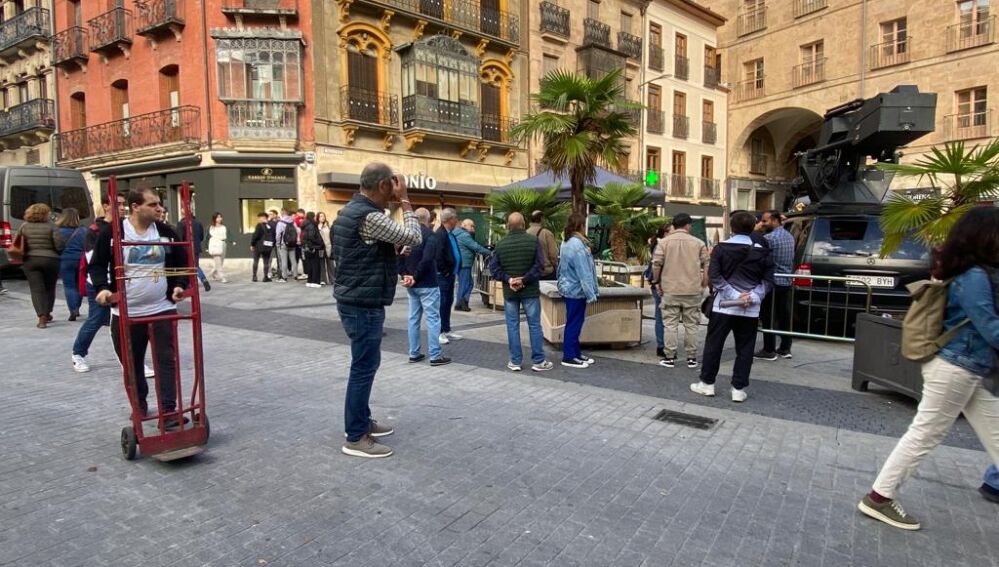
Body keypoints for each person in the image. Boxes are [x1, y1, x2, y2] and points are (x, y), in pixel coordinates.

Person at [859, 207, 999, 531]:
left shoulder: (970, 271)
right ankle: (879, 497)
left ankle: (879, 497)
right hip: (956, 366)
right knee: (924, 434)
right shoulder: (974, 276)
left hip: (967, 367)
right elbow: (990, 328)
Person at [333, 162, 422, 459]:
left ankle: (361, 421)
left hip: (355, 297)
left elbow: (361, 252)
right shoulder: (369, 215)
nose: (393, 193)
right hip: (362, 302)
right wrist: (406, 199)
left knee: (364, 365)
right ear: (385, 185)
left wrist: (391, 251)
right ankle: (356, 435)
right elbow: (414, 236)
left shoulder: (349, 212)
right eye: (392, 187)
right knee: (364, 367)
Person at [90, 188, 190, 427]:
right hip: (126, 312)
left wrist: (178, 286)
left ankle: (168, 413)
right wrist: (103, 289)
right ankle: (140, 407)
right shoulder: (113, 233)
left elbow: (181, 265)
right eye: (153, 204)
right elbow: (97, 265)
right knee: (132, 364)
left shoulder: (166, 232)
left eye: (159, 204)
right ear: (136, 206)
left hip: (162, 308)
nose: (159, 208)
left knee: (166, 360)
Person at [690, 211, 774, 403]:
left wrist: (735, 295)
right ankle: (738, 388)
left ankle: (707, 383)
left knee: (714, 345)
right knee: (745, 348)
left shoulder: (721, 249)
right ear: (753, 227)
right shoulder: (763, 251)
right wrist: (752, 296)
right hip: (750, 308)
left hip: (723, 306)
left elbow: (715, 276)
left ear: (732, 227)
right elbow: (768, 281)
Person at [491, 212, 552, 373]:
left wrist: (510, 280)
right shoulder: (533, 241)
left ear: (508, 225)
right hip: (530, 290)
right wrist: (524, 280)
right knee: (534, 325)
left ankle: (515, 361)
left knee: (512, 326)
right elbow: (539, 266)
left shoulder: (501, 244)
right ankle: (538, 360)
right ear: (524, 224)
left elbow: (494, 269)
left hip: (510, 292)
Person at [71, 193, 125, 373]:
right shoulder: (94, 231)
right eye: (118, 204)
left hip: (122, 282)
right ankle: (78, 353)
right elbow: (93, 261)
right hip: (100, 283)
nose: (122, 207)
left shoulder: (126, 227)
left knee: (124, 321)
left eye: (124, 204)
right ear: (106, 206)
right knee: (96, 319)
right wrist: (101, 285)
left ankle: (131, 360)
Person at [651, 213, 710, 369]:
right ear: (687, 225)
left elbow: (656, 264)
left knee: (670, 325)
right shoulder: (698, 243)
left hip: (670, 289)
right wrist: (704, 283)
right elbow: (706, 264)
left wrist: (657, 282)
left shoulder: (664, 242)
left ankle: (669, 356)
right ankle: (692, 357)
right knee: (692, 325)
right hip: (692, 289)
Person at [400, 208, 450, 366]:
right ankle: (435, 355)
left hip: (411, 284)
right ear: (428, 219)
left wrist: (405, 275)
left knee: (413, 319)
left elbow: (398, 256)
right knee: (433, 319)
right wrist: (415, 277)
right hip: (427, 283)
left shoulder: (406, 235)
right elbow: (428, 259)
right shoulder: (430, 236)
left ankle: (414, 353)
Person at [557, 213, 599, 368]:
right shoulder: (578, 245)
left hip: (569, 287)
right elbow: (584, 272)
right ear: (580, 226)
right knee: (574, 323)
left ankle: (575, 353)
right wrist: (591, 293)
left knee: (574, 321)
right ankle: (569, 356)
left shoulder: (566, 242)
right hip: (576, 289)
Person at [755, 209, 795, 361]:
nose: (762, 224)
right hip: (786, 281)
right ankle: (785, 348)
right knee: (784, 315)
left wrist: (756, 230)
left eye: (765, 221)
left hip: (772, 282)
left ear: (774, 220)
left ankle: (769, 349)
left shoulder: (769, 238)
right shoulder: (789, 236)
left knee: (768, 316)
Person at [19, 203, 65, 328]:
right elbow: (59, 245)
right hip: (51, 260)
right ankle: (48, 312)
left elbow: (18, 243)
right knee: (50, 288)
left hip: (31, 260)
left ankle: (41, 317)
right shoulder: (52, 226)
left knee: (36, 289)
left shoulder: (24, 226)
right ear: (46, 214)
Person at [435, 208, 462, 345]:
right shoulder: (440, 234)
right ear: (449, 219)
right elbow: (438, 255)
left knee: (448, 302)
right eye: (455, 217)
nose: (457, 220)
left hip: (451, 274)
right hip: (443, 276)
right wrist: (445, 270)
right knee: (442, 303)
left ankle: (446, 329)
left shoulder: (450, 234)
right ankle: (439, 332)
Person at [453, 218, 491, 311]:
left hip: (462, 262)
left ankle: (461, 302)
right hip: (464, 263)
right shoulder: (464, 235)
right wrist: (490, 253)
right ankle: (461, 303)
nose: (473, 228)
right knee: (465, 283)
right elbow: (475, 246)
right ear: (465, 225)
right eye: (472, 226)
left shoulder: (459, 233)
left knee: (468, 283)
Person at [57, 207, 87, 321]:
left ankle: (73, 309)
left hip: (65, 260)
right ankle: (77, 307)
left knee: (69, 286)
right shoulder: (83, 230)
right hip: (80, 259)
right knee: (79, 284)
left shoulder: (58, 230)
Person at [646, 225, 672, 360]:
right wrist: (657, 283)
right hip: (660, 285)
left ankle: (663, 345)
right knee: (661, 316)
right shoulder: (661, 246)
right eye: (671, 231)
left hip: (661, 284)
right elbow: (657, 266)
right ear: (665, 232)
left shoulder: (662, 245)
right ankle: (662, 345)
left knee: (662, 316)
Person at [178, 212, 209, 292]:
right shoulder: (198, 223)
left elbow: (180, 238)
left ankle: (188, 284)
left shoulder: (181, 223)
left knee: (187, 266)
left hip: (186, 248)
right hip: (196, 247)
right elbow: (201, 237)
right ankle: (203, 279)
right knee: (195, 265)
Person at [527, 210, 560, 281]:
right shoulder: (547, 233)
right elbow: (553, 254)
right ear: (541, 219)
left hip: (530, 273)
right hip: (546, 273)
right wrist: (554, 265)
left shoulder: (525, 233)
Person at [301, 211, 324, 288]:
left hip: (307, 248)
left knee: (310, 265)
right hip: (313, 247)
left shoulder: (304, 225)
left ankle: (309, 281)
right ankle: (315, 282)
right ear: (312, 217)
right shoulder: (312, 225)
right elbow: (312, 237)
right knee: (315, 265)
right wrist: (320, 242)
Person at [275, 208, 299, 282]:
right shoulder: (293, 222)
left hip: (283, 244)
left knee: (284, 260)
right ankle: (295, 276)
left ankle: (284, 277)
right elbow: (297, 232)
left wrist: (278, 243)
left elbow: (278, 234)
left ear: (282, 213)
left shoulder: (280, 223)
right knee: (293, 260)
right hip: (292, 244)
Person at [250, 212, 274, 282]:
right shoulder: (270, 226)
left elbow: (255, 236)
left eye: (259, 218)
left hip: (258, 246)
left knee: (256, 260)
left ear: (262, 218)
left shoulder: (259, 225)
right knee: (266, 261)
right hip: (268, 246)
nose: (258, 219)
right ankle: (265, 277)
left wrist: (252, 244)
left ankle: (254, 276)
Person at [206, 212, 228, 283]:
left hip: (223, 244)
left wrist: (218, 237)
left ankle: (212, 273)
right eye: (218, 217)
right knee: (218, 262)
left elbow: (224, 236)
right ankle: (222, 277)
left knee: (220, 262)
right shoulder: (211, 227)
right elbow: (212, 235)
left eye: (220, 217)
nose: (219, 218)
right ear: (214, 218)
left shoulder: (223, 227)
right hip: (215, 245)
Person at [317, 211, 334, 285]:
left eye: (323, 216)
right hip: (321, 248)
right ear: (318, 218)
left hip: (329, 247)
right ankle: (323, 280)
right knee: (322, 264)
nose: (322, 218)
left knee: (331, 265)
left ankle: (333, 279)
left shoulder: (328, 226)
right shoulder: (317, 226)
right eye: (320, 216)